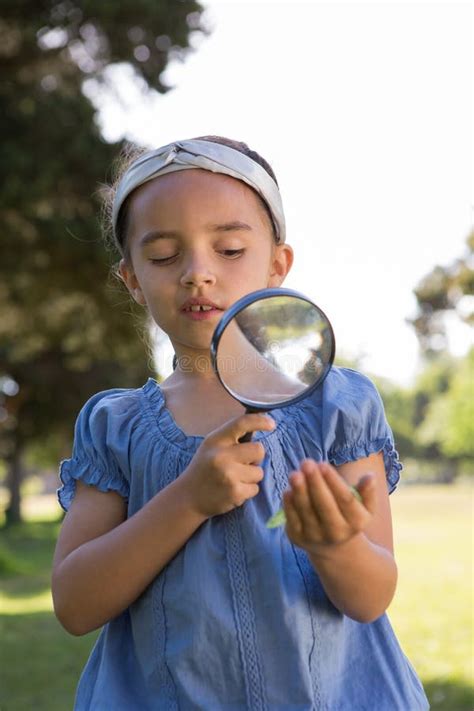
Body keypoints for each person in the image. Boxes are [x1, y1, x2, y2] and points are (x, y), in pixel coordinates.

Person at [52, 136, 429, 710]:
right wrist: (188, 499)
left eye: (228, 249)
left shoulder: (339, 406)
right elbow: (75, 605)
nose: (197, 273)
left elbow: (372, 595)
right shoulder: (116, 426)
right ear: (131, 279)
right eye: (162, 256)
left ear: (277, 265)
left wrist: (335, 546)